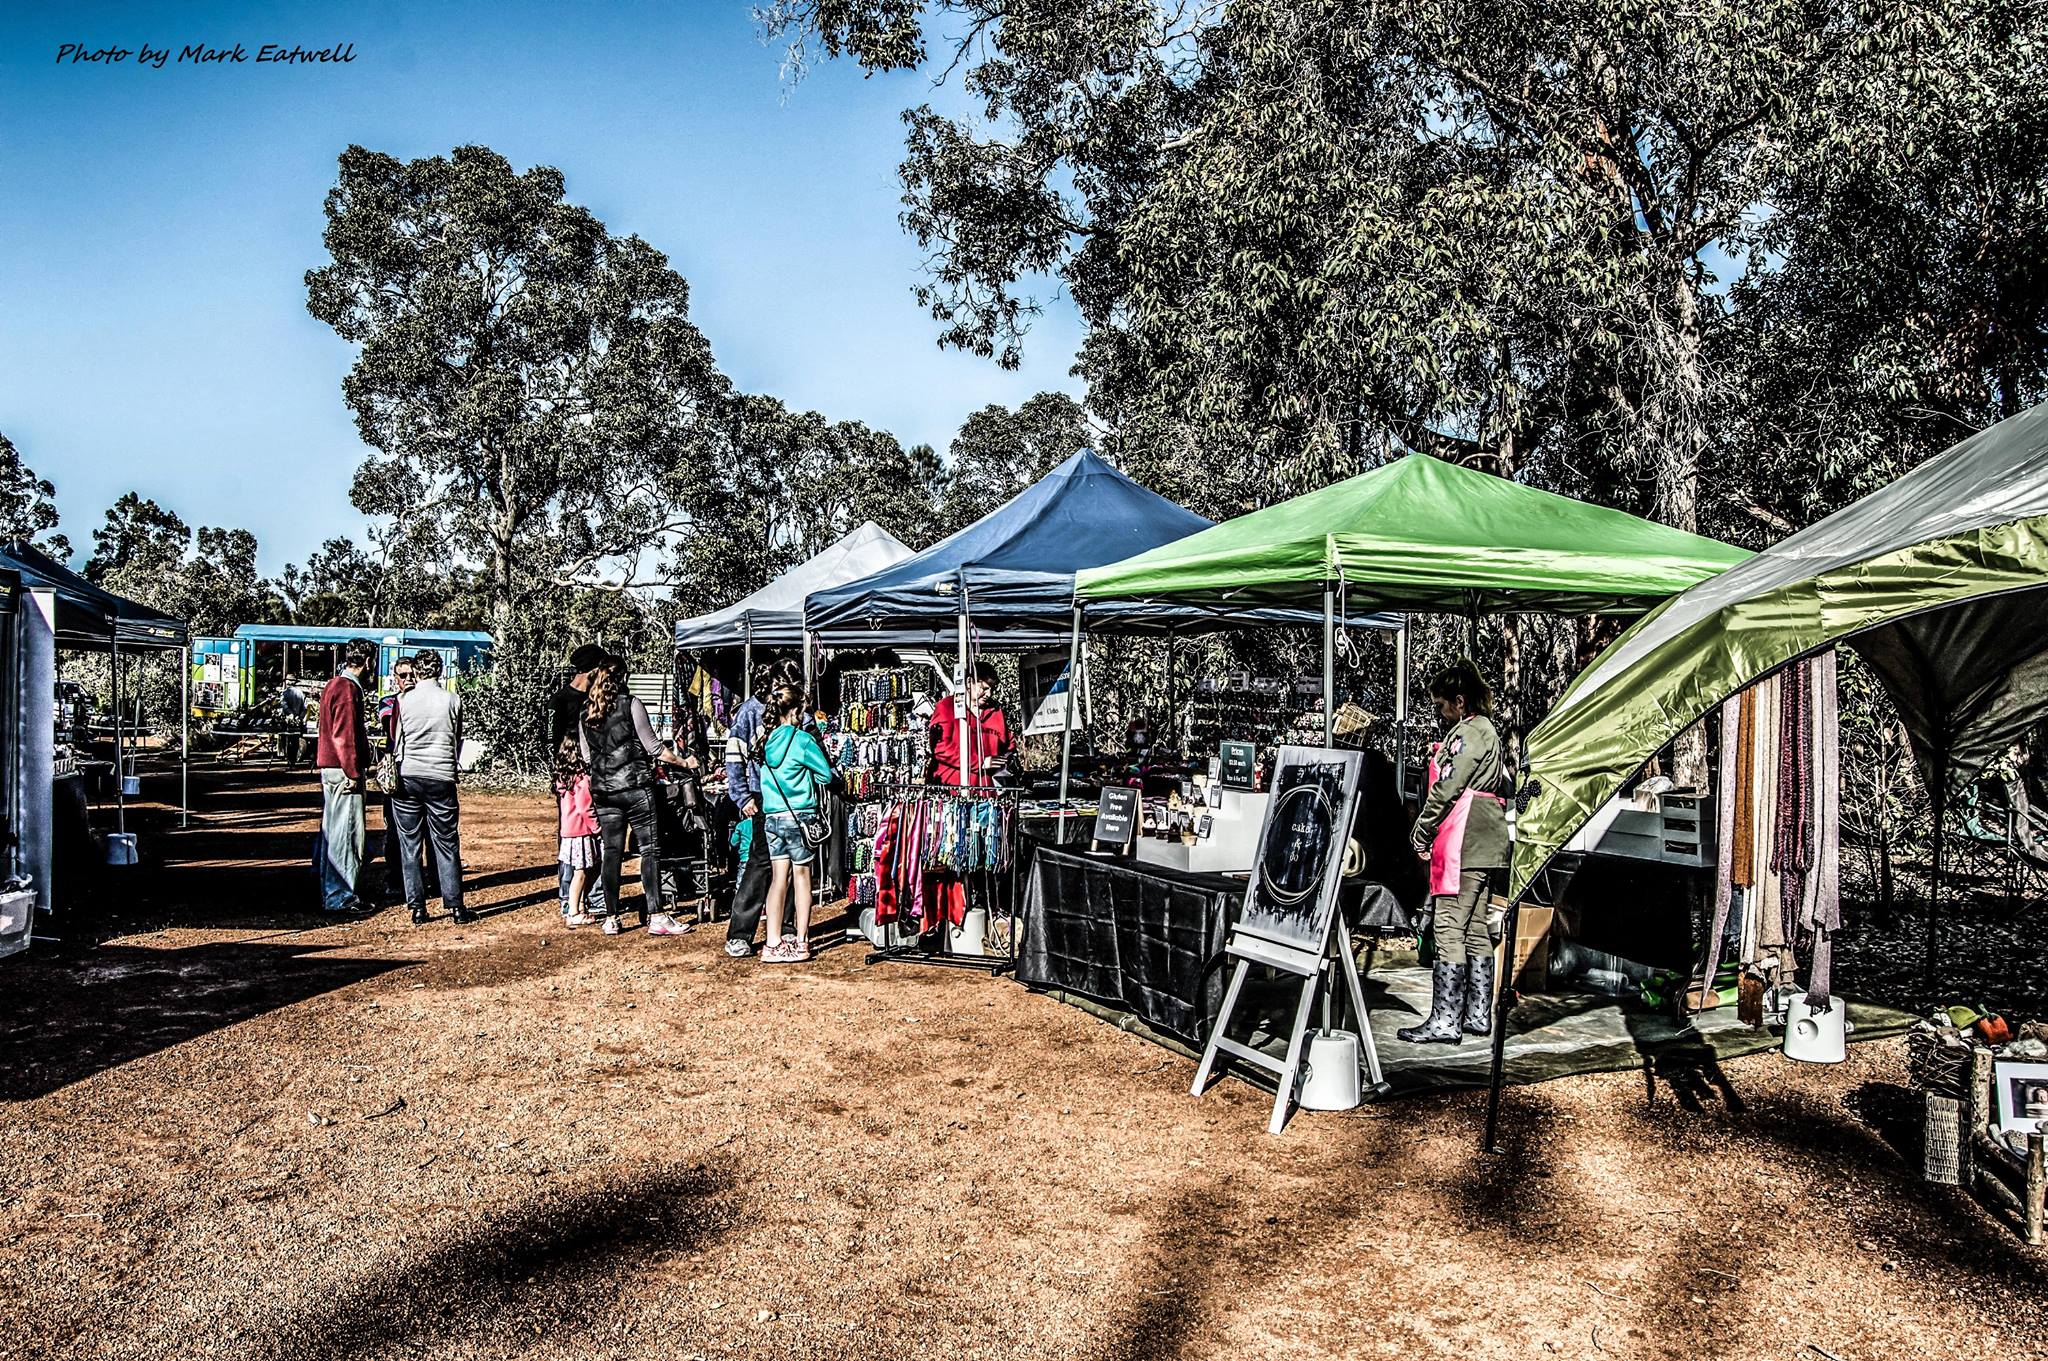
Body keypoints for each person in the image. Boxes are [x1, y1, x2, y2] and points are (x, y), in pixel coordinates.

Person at [1398, 659, 1509, 1045]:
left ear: (1459, 701)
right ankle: (1478, 1014)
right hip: (1487, 840)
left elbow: (1447, 787)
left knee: (1448, 926)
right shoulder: (1489, 732)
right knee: (1475, 927)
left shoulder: (1469, 733)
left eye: (1442, 706)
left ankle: (1445, 1020)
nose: (1441, 714)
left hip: (1466, 838)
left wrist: (1422, 828)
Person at [579, 651, 692, 937]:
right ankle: (656, 914)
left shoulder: (586, 711)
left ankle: (612, 917)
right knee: (650, 850)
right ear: (624, 678)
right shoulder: (631, 704)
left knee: (611, 853)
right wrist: (683, 762)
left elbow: (585, 755)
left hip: (604, 791)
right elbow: (653, 747)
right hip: (636, 787)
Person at [390, 649, 472, 925]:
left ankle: (417, 907)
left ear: (416, 672)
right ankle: (456, 905)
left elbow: (398, 740)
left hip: (409, 775)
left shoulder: (405, 700)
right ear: (440, 671)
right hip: (441, 775)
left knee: (409, 843)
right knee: (446, 841)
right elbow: (457, 738)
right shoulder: (452, 700)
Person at [757, 685, 835, 962]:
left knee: (778, 880)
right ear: (795, 711)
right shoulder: (802, 741)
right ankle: (802, 941)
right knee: (802, 878)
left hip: (773, 818)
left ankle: (772, 942)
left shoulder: (766, 741)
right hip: (800, 816)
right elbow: (826, 774)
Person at [722, 660, 790, 957]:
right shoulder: (750, 712)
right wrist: (741, 796)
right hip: (764, 797)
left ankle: (787, 928)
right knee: (761, 862)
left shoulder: (798, 708)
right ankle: (740, 932)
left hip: (795, 799)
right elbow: (734, 755)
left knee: (793, 865)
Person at [312, 638, 377, 914]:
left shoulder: (333, 684)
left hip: (331, 768)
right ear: (368, 661)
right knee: (346, 835)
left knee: (332, 832)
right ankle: (340, 897)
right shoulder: (347, 688)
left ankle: (332, 891)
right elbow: (344, 735)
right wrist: (353, 771)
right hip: (342, 770)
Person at [552, 643, 611, 919]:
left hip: (572, 775)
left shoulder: (567, 698)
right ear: (594, 669)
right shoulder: (569, 701)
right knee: (580, 843)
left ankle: (583, 897)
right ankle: (572, 898)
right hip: (577, 775)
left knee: (576, 843)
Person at [378, 657, 425, 907]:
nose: (408, 680)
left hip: (420, 770)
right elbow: (390, 726)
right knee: (394, 830)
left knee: (426, 830)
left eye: (411, 675)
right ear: (395, 678)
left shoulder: (426, 701)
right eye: (403, 675)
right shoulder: (389, 702)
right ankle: (396, 879)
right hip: (396, 772)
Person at [929, 659, 1013, 788]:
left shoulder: (996, 711)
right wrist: (979, 762)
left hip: (988, 789)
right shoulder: (946, 707)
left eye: (992, 689)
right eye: (984, 688)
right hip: (952, 788)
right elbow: (940, 748)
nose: (988, 694)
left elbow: (1009, 743)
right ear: (969, 683)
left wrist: (1006, 759)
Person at [554, 735, 603, 928]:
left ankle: (579, 906)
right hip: (581, 832)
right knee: (581, 873)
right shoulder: (582, 780)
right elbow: (585, 809)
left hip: (568, 832)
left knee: (578, 871)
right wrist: (597, 828)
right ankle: (573, 912)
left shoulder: (564, 780)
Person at [278, 676, 308, 769]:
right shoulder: (300, 693)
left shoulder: (285, 693)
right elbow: (304, 708)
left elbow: (284, 705)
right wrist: (300, 717)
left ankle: (289, 760)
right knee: (295, 740)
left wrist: (291, 714)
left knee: (286, 740)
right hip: (297, 720)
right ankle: (293, 761)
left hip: (288, 720)